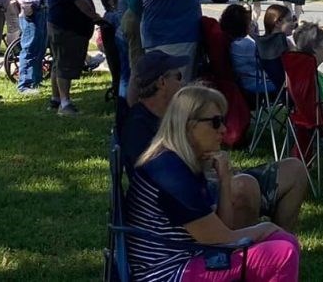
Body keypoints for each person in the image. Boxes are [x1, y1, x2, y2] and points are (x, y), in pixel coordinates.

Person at [126, 85, 301, 282]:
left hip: (186, 258)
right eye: (216, 122)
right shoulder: (170, 171)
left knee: (284, 241)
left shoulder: (181, 161)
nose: (224, 130)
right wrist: (265, 228)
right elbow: (219, 239)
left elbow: (223, 227)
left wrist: (224, 180)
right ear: (189, 125)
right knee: (282, 253)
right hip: (167, 273)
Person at [47, 0, 103, 115]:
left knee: (58, 64)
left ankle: (56, 99)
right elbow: (81, 3)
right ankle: (65, 103)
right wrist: (96, 18)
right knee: (65, 65)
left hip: (62, 25)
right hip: (66, 26)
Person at [221, 4, 272, 98]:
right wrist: (255, 37)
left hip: (243, 82)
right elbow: (268, 61)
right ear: (243, 25)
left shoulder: (233, 43)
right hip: (256, 83)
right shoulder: (245, 45)